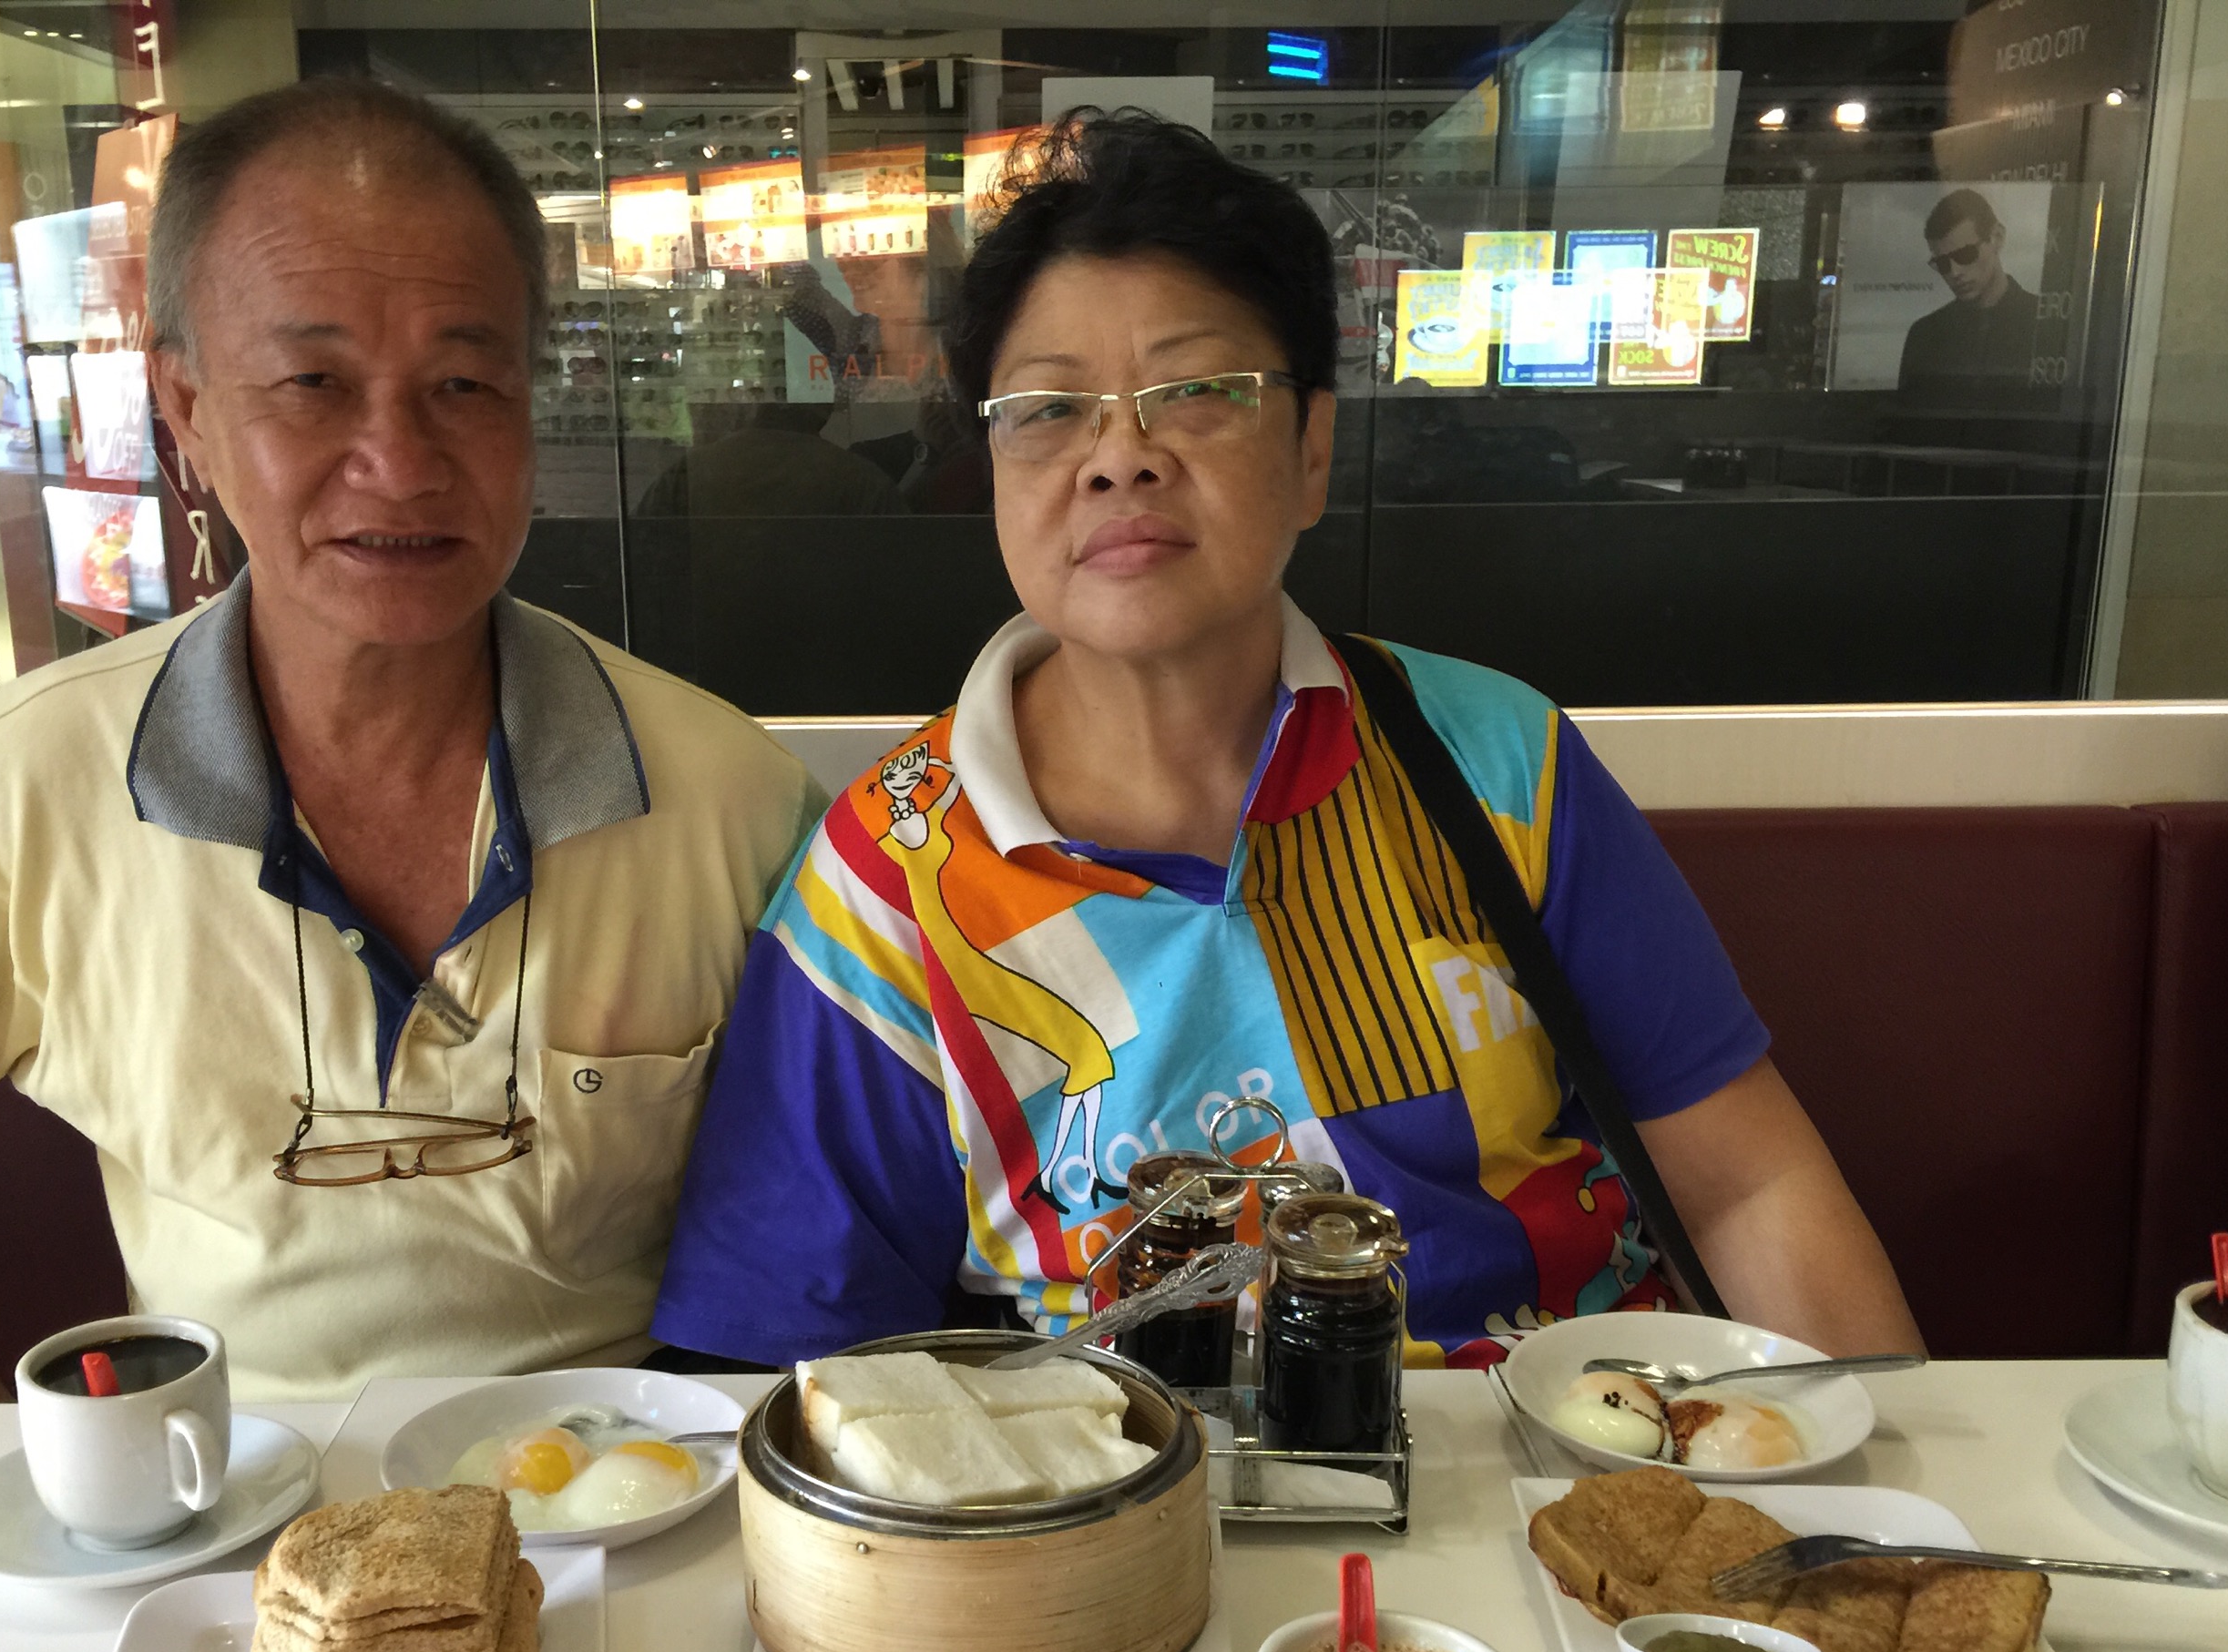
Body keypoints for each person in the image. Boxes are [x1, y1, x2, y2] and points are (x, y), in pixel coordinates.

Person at [651, 112, 1921, 1370]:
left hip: (1565, 1458)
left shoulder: (1495, 762)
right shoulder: (888, 877)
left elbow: (1748, 1188)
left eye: (1196, 393)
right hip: (1141, 1509)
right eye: (1049, 409)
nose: (1119, 458)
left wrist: (1878, 1516)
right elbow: (801, 1360)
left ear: (1312, 450)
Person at [0, 79, 822, 1403]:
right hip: (227, 1505)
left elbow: (829, 1211)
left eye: (464, 382)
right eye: (313, 383)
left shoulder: (731, 796)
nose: (399, 461)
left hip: (625, 1490)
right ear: (185, 409)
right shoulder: (21, 787)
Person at [1896, 189, 2039, 397]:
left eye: (1965, 255)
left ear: (1997, 237)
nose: (1954, 272)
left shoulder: (2046, 322)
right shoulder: (1925, 335)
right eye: (1942, 263)